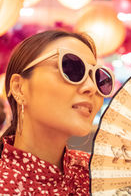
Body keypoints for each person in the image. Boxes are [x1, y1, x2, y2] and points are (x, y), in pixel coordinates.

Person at [0, 29, 114, 195]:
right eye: (71, 68)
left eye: (99, 78)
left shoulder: (100, 174)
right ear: (19, 88)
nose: (91, 87)